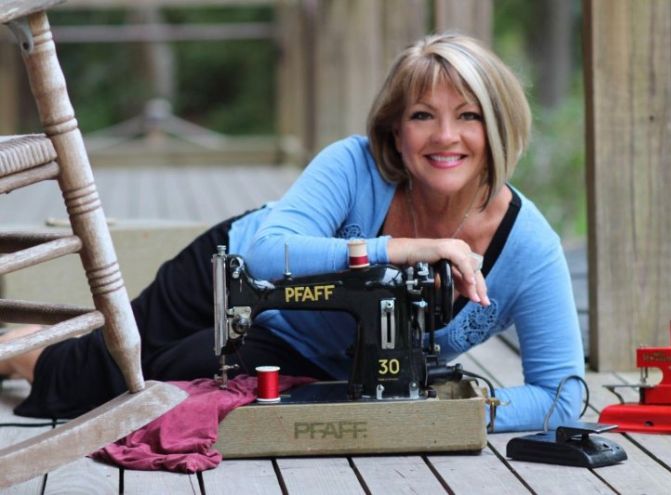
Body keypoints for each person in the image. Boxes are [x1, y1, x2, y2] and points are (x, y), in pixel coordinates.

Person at [0, 33, 584, 431]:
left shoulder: (528, 249)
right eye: (422, 115)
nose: (445, 137)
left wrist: (449, 413)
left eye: (469, 116)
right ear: (396, 131)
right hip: (226, 271)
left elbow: (562, 395)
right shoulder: (354, 165)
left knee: (154, 391)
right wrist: (406, 248)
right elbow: (264, 255)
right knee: (97, 376)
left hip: (303, 356)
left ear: (499, 126)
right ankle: (15, 350)